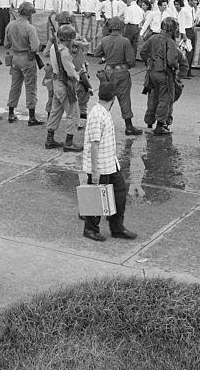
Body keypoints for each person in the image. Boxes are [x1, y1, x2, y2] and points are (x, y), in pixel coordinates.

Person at [82, 81, 137, 243]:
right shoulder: (98, 115)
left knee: (119, 194)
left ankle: (117, 227)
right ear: (113, 98)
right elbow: (94, 144)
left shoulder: (102, 112)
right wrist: (95, 171)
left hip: (110, 163)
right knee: (96, 199)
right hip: (100, 166)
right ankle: (90, 229)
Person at [92, 17, 142, 136]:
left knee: (105, 99)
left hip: (108, 72)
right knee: (124, 99)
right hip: (122, 73)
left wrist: (105, 57)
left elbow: (96, 53)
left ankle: (99, 126)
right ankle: (129, 127)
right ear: (121, 27)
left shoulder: (104, 40)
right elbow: (131, 61)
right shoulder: (125, 41)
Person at [140, 17, 185, 136]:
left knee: (153, 97)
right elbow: (172, 62)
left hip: (151, 73)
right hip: (165, 75)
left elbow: (143, 52)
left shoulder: (153, 38)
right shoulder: (171, 43)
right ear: (173, 29)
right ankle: (160, 125)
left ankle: (149, 122)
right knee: (165, 99)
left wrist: (149, 62)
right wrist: (177, 72)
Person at [4, 1, 43, 125]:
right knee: (30, 87)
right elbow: (35, 47)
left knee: (15, 86)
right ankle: (31, 116)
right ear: (30, 14)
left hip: (15, 57)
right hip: (27, 58)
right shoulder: (30, 28)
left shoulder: (10, 25)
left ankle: (11, 113)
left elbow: (6, 44)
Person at [45, 24, 83, 152]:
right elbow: (71, 72)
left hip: (56, 82)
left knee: (56, 110)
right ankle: (69, 142)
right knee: (74, 112)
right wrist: (79, 77)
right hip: (64, 84)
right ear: (69, 39)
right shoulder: (64, 52)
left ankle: (50, 139)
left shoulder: (54, 48)